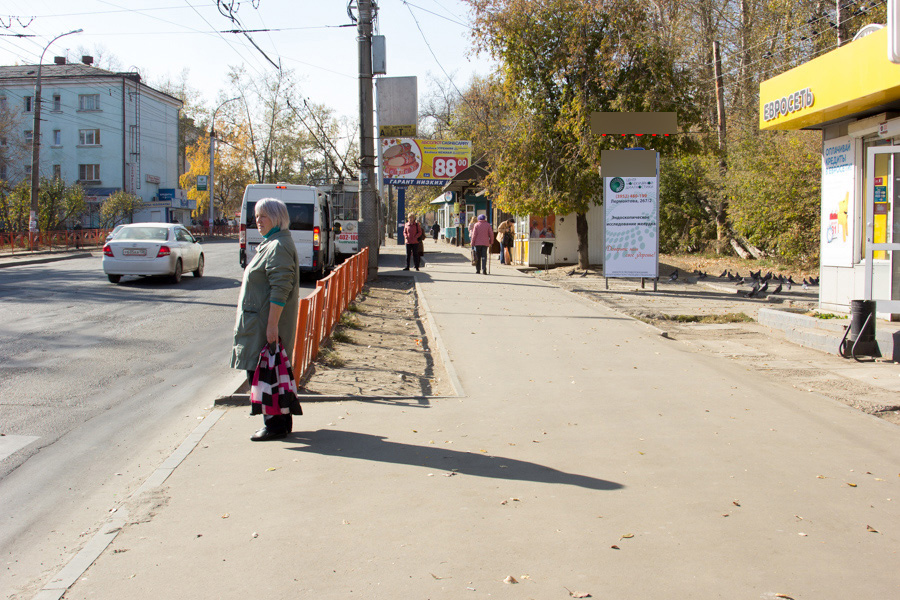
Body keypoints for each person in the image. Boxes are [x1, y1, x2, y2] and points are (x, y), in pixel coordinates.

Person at [231, 197, 301, 441]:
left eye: (263, 216)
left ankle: (274, 425)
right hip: (259, 322)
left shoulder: (278, 246)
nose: (257, 221)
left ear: (277, 218)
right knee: (270, 372)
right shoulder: (272, 243)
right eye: (256, 216)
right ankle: (280, 422)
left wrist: (272, 325)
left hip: (264, 325)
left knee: (265, 374)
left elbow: (280, 288)